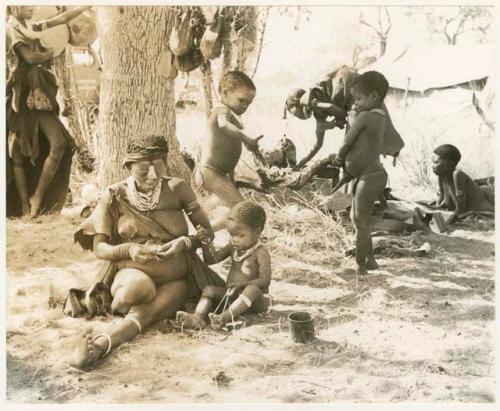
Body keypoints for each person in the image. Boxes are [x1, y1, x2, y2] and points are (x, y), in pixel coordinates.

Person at [66, 135, 225, 369]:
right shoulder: (114, 195)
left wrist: (186, 242)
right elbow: (100, 248)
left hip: (176, 277)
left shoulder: (178, 188)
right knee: (137, 290)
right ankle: (117, 307)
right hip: (131, 270)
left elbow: (207, 233)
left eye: (158, 170)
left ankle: (98, 347)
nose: (152, 177)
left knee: (144, 314)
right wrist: (129, 248)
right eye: (143, 172)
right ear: (128, 166)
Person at [6, 6, 90, 217]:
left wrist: (83, 7)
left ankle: (38, 197)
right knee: (17, 150)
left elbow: (61, 18)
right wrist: (49, 53)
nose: (32, 7)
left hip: (40, 94)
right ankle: (25, 205)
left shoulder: (33, 25)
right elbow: (29, 57)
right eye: (26, 5)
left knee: (59, 143)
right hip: (20, 96)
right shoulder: (10, 28)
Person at [176, 201, 271, 330]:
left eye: (241, 235)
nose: (235, 239)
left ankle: (223, 318)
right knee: (209, 290)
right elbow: (211, 259)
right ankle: (197, 318)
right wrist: (205, 242)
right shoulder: (233, 247)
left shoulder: (261, 253)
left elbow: (265, 281)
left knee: (252, 289)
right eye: (232, 234)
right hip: (232, 297)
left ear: (257, 232)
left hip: (255, 302)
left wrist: (242, 285)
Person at [331, 71, 390, 275]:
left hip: (369, 175)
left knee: (359, 220)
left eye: (358, 99)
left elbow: (348, 139)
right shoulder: (379, 117)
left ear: (373, 97)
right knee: (360, 218)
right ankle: (371, 259)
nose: (355, 104)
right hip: (370, 175)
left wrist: (339, 158)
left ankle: (359, 265)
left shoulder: (365, 117)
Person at [192, 70, 263, 208]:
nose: (244, 106)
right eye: (241, 100)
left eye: (248, 103)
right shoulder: (222, 110)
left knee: (224, 211)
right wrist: (247, 139)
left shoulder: (233, 118)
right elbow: (223, 125)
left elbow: (228, 155)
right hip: (210, 172)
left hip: (216, 174)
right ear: (225, 93)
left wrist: (232, 181)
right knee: (242, 209)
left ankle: (211, 227)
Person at [431, 144, 494, 222]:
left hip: (486, 209)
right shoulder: (441, 176)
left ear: (449, 164)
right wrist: (435, 210)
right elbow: (441, 197)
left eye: (436, 162)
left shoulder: (457, 174)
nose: (432, 165)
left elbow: (461, 209)